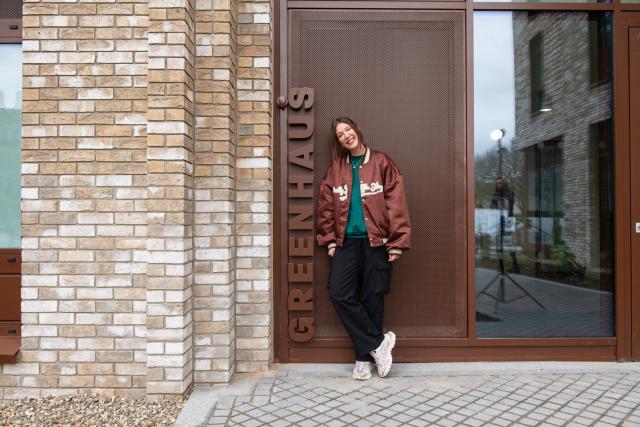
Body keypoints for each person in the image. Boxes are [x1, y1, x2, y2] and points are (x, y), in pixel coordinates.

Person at [316, 117, 411, 381]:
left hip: (377, 242)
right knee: (339, 293)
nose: (346, 135)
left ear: (357, 130)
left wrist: (397, 242)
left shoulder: (382, 162)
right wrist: (331, 240)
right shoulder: (335, 169)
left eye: (348, 129)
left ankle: (362, 359)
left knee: (373, 298)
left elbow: (397, 202)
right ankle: (379, 343)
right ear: (338, 142)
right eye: (340, 134)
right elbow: (325, 207)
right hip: (346, 243)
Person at [490, 178, 520, 274]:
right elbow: (492, 208)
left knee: (508, 242)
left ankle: (515, 266)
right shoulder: (497, 195)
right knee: (499, 244)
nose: (498, 185)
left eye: (500, 183)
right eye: (496, 183)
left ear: (504, 184)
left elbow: (508, 206)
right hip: (499, 221)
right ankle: (501, 266)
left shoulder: (508, 194)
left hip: (507, 221)